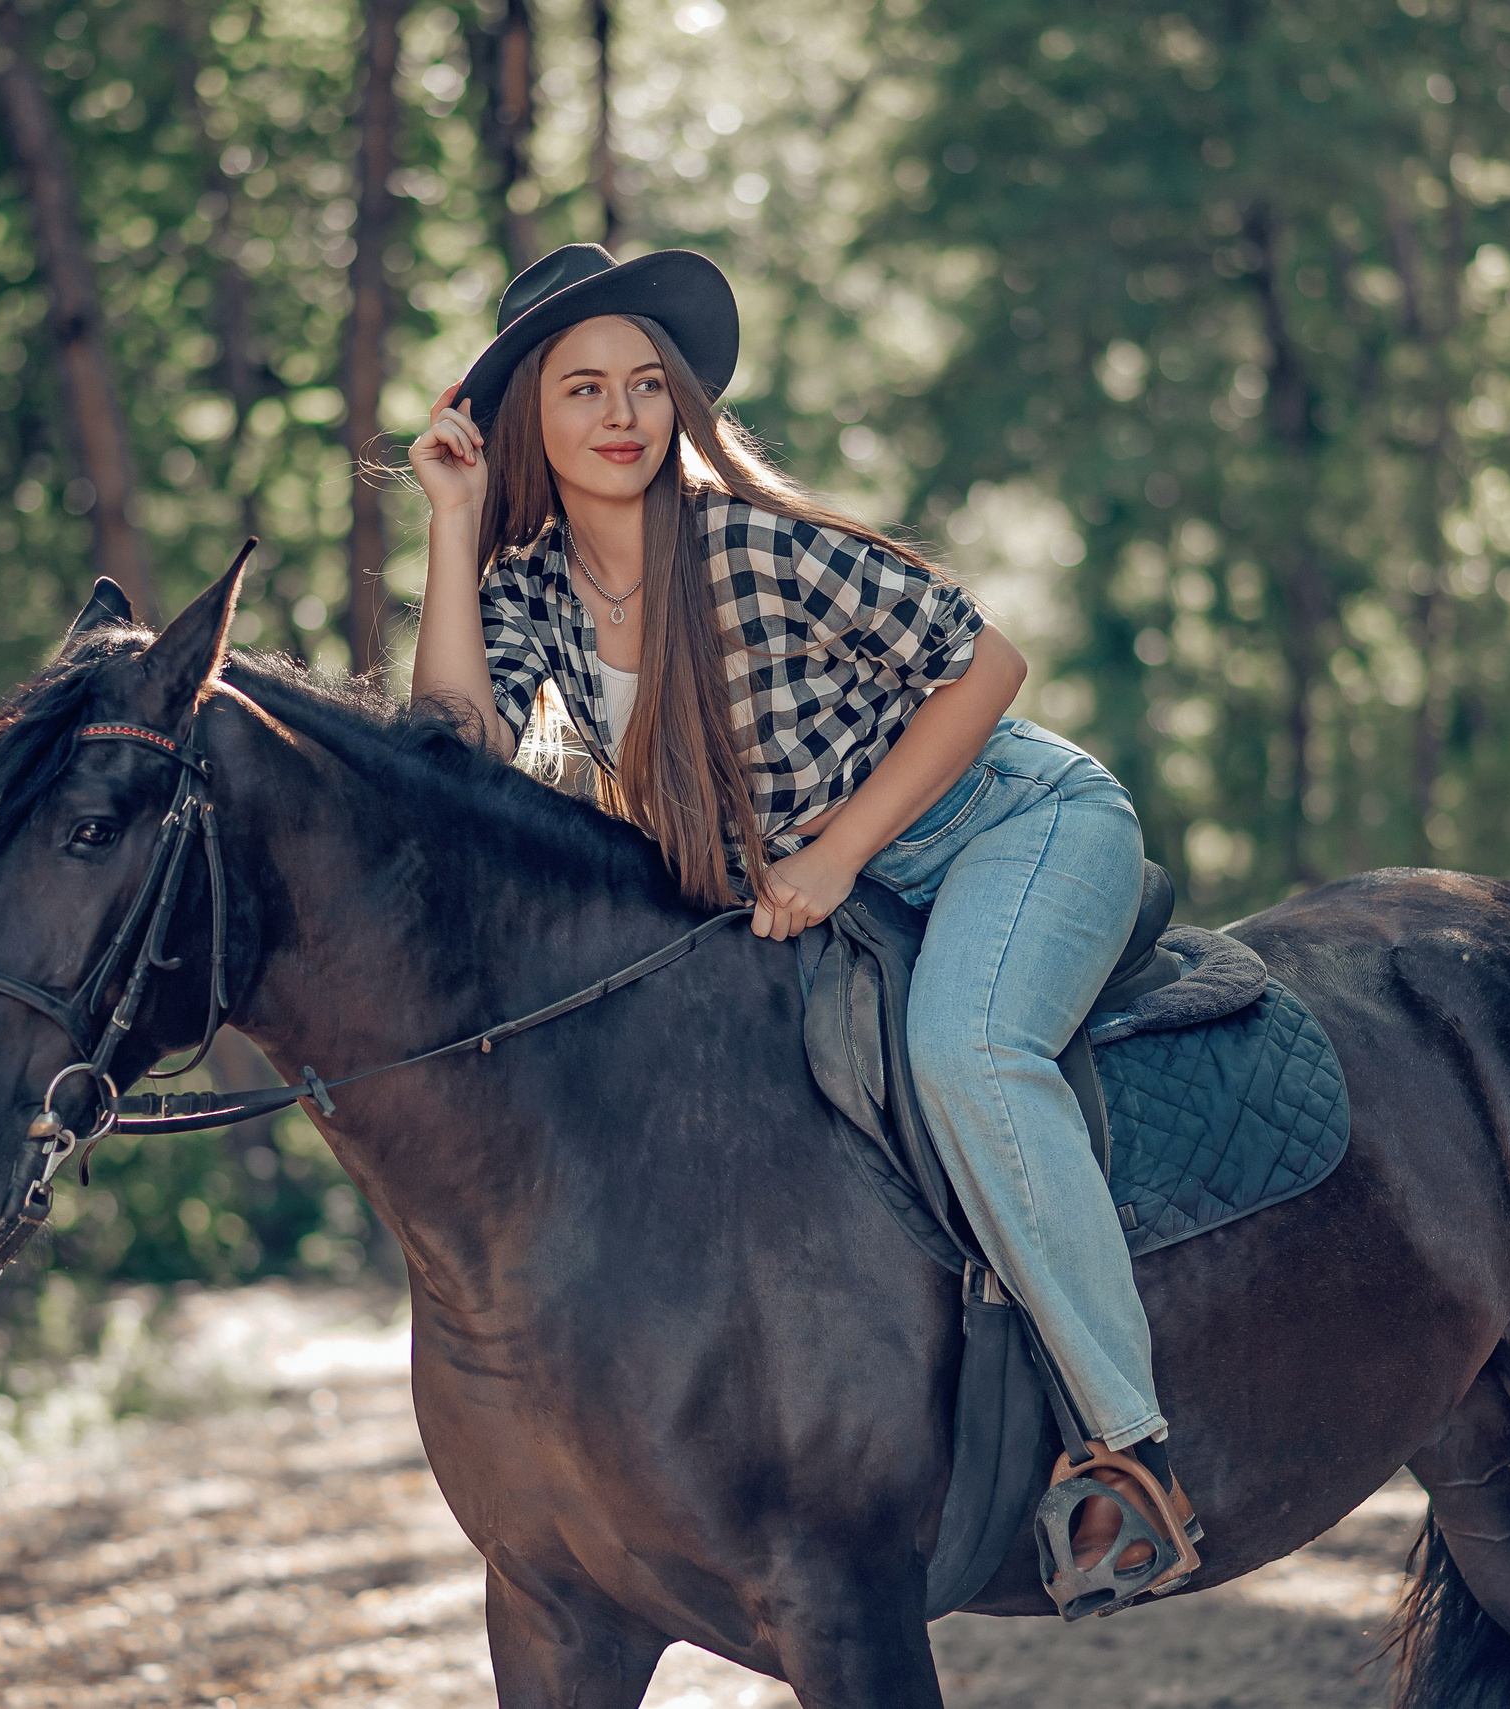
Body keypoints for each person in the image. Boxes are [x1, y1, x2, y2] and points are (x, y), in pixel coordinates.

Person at [407, 243, 1199, 1610]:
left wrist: (835, 852)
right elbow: (458, 739)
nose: (621, 415)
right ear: (526, 420)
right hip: (843, 887)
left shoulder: (754, 548)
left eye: (648, 385)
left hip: (1010, 830)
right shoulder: (532, 586)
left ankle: (1130, 1453)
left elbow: (987, 664)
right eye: (584, 388)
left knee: (967, 1050)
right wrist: (450, 519)